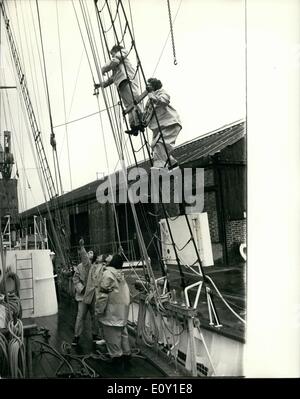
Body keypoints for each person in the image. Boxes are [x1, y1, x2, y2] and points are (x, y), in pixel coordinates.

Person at [94, 44, 144, 135]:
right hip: (121, 84)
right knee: (129, 107)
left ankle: (140, 122)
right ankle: (134, 127)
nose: (112, 56)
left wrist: (103, 69)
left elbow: (115, 61)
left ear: (116, 50)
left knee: (134, 102)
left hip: (127, 80)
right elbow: (111, 79)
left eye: (112, 54)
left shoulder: (122, 52)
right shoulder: (116, 69)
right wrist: (100, 85)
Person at [95, 253, 131, 364]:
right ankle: (127, 355)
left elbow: (102, 296)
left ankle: (117, 361)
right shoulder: (120, 275)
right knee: (123, 335)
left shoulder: (108, 275)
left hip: (111, 313)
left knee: (112, 338)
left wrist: (98, 311)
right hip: (122, 312)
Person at [142, 77, 182, 169]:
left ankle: (159, 167)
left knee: (160, 144)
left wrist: (153, 97)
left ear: (155, 86)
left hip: (169, 123)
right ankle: (172, 164)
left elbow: (165, 100)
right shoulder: (149, 101)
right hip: (159, 127)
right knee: (156, 146)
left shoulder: (160, 92)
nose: (147, 86)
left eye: (150, 84)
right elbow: (145, 115)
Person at [72, 239, 98, 346]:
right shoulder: (79, 267)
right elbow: (75, 279)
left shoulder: (96, 266)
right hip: (83, 295)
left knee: (95, 316)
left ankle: (95, 335)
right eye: (88, 252)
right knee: (80, 316)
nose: (89, 254)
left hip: (93, 295)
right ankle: (76, 336)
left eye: (91, 252)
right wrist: (81, 289)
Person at [82, 253, 112, 346]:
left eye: (100, 256)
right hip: (92, 294)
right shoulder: (93, 266)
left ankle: (105, 338)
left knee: (101, 316)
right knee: (96, 316)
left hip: (99, 294)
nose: (98, 256)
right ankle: (102, 337)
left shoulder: (103, 267)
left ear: (103, 260)